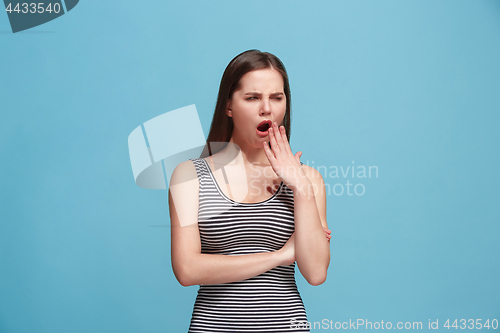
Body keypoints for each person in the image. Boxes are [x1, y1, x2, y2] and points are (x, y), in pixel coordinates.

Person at [168, 49, 331, 332]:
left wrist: (301, 187)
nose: (266, 108)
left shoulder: (308, 180)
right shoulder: (189, 176)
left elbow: (316, 273)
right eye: (253, 97)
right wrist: (279, 256)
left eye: (276, 98)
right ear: (228, 106)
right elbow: (187, 270)